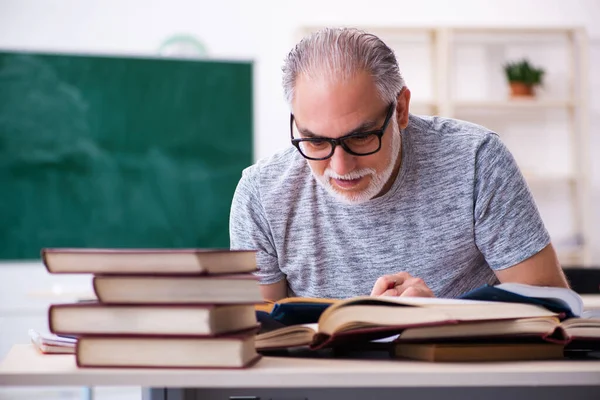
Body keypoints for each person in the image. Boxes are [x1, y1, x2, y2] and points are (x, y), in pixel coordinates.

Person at [229, 27, 569, 301]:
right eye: (316, 141)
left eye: (361, 137)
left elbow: (550, 306)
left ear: (401, 109)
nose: (341, 166)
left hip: (459, 380)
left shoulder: (477, 160)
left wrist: (441, 318)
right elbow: (258, 333)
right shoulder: (261, 193)